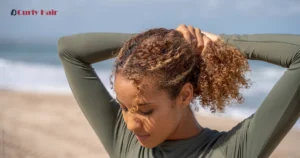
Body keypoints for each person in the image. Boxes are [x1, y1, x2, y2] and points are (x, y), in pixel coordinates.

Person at [57, 24, 300, 158]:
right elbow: (68, 49)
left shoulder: (231, 152)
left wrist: (222, 43)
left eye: (146, 111)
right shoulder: (126, 143)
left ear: (184, 95)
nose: (130, 124)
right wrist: (158, 42)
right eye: (123, 108)